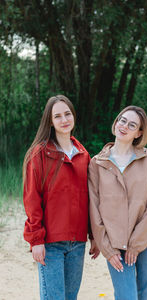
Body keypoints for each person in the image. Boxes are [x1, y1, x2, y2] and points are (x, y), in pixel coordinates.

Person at [23, 95, 99, 300]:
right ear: (50, 121)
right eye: (57, 116)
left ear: (73, 116)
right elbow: (32, 200)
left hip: (77, 242)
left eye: (67, 114)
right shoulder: (38, 154)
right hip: (50, 242)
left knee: (70, 297)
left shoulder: (83, 155)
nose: (64, 119)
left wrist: (94, 235)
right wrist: (36, 240)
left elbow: (90, 200)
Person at [88, 105, 147, 300]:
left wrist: (136, 244)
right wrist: (107, 248)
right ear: (115, 123)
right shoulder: (97, 163)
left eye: (132, 125)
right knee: (126, 297)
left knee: (146, 296)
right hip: (116, 245)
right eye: (122, 120)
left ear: (139, 133)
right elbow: (94, 209)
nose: (124, 126)